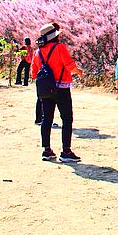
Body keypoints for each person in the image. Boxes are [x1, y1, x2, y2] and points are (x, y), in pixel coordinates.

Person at [30, 22, 83, 163]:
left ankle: (46, 150)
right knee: (67, 119)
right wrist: (79, 72)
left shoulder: (37, 52)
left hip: (45, 90)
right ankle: (66, 151)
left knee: (46, 119)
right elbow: (70, 66)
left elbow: (34, 74)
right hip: (62, 88)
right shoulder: (59, 48)